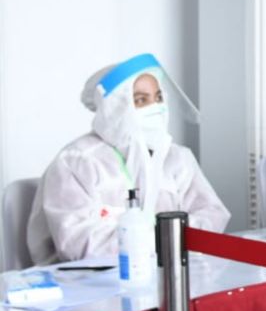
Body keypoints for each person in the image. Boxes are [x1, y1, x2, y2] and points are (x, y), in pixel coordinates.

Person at [27, 54, 230, 265]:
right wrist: (169, 237)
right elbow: (80, 245)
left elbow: (212, 216)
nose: (156, 108)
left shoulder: (177, 158)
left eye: (158, 98)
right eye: (141, 100)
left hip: (172, 272)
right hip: (90, 285)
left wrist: (147, 240)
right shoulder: (77, 162)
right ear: (114, 107)